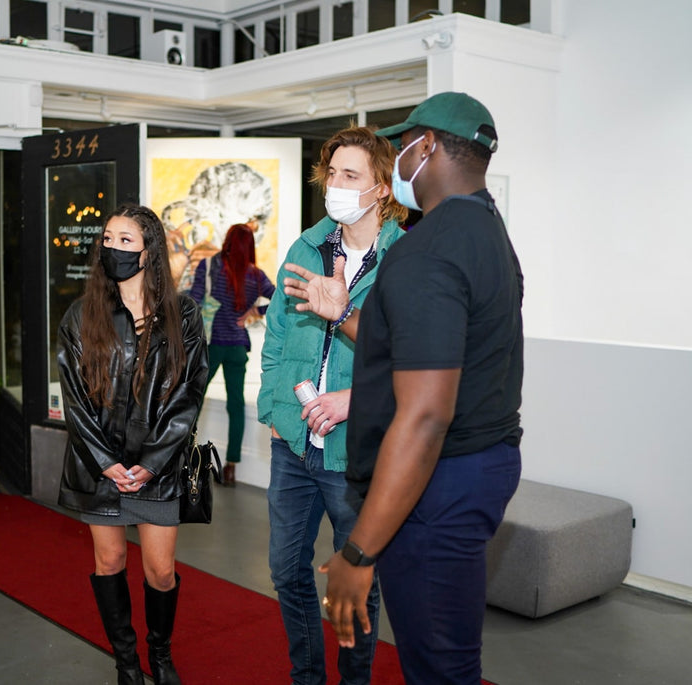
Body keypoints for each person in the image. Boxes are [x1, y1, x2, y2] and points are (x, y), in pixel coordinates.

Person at [292, 92, 523, 684]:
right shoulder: (486, 230)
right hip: (479, 468)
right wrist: (342, 314)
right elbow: (425, 345)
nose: (396, 157)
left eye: (401, 145)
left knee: (438, 667)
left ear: (425, 148)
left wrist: (358, 553)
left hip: (439, 483)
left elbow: (423, 416)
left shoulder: (429, 249)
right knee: (448, 657)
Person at [257, 125, 407, 685]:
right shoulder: (306, 247)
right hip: (294, 445)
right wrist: (275, 413)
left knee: (355, 583)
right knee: (285, 572)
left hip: (355, 456)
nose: (337, 185)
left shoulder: (404, 260)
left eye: (352, 176)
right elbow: (275, 339)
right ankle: (307, 677)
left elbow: (417, 365)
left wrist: (357, 400)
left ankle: (354, 680)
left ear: (382, 188)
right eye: (333, 174)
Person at [56, 203, 209, 685]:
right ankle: (127, 664)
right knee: (110, 561)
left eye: (125, 240)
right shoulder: (81, 315)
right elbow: (75, 399)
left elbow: (190, 390)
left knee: (161, 572)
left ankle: (159, 656)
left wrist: (152, 461)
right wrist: (105, 462)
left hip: (158, 468)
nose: (112, 247)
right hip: (98, 467)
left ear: (149, 252)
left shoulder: (181, 313)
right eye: (107, 238)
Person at [189, 223, 275, 485]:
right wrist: (254, 313)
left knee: (194, 400)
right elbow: (281, 298)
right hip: (237, 345)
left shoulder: (208, 268)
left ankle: (183, 459)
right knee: (235, 405)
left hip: (211, 344)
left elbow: (193, 302)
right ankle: (231, 467)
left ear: (227, 241)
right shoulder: (256, 275)